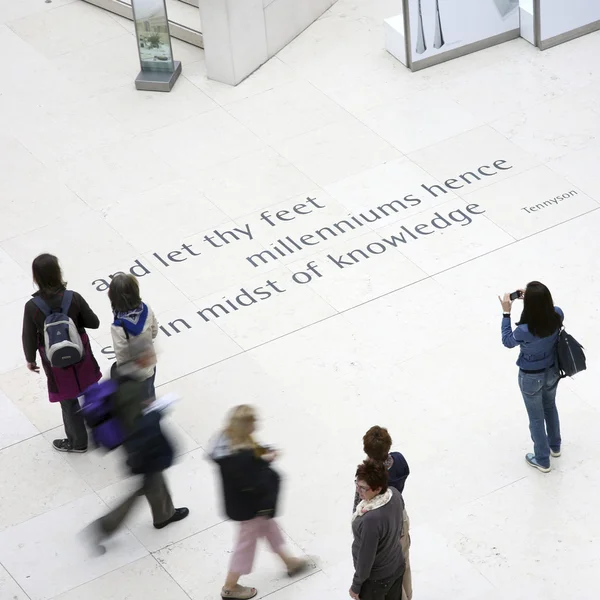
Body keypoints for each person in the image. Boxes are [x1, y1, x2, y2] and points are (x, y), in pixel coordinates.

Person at [85, 335, 188, 553]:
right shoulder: (132, 388)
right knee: (145, 484)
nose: (154, 356)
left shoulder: (122, 372)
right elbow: (137, 425)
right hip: (139, 446)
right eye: (150, 354)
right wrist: (156, 410)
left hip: (134, 443)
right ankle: (106, 526)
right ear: (141, 358)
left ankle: (164, 514)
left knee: (155, 479)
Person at [210, 405, 309, 600]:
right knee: (245, 546)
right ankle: (230, 587)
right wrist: (265, 460)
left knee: (270, 529)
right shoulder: (239, 458)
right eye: (252, 423)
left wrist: (264, 454)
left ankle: (289, 562)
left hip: (249, 505)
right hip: (249, 507)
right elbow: (252, 478)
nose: (256, 427)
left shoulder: (228, 440)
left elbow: (253, 451)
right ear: (245, 426)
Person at [22, 253, 102, 453]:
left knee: (68, 402)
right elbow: (94, 322)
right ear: (58, 272)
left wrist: (30, 359)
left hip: (56, 363)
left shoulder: (32, 307)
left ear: (36, 277)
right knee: (92, 392)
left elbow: (29, 336)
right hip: (82, 356)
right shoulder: (73, 297)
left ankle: (77, 443)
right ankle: (102, 431)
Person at [499, 281, 564, 473]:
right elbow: (546, 309)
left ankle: (542, 459)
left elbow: (507, 341)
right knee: (550, 406)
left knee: (536, 418)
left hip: (530, 377)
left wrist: (506, 313)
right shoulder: (557, 314)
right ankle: (555, 446)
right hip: (552, 370)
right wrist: (533, 298)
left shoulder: (524, 330)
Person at [354, 426, 411, 600]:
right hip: (399, 516)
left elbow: (360, 505)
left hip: (381, 524)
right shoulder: (399, 459)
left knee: (388, 568)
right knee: (403, 563)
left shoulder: (371, 477)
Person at [351, 460, 405, 600]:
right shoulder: (394, 494)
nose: (358, 491)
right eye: (357, 485)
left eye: (363, 488)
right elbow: (400, 527)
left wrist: (356, 585)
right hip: (397, 565)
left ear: (378, 489)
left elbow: (366, 558)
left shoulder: (371, 519)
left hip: (377, 580)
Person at [108, 273, 158, 401]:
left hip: (132, 375)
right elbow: (154, 332)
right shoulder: (146, 308)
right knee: (149, 393)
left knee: (136, 403)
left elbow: (121, 356)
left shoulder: (118, 326)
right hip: (149, 364)